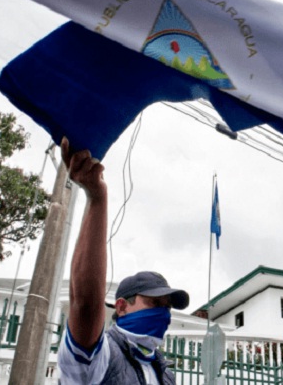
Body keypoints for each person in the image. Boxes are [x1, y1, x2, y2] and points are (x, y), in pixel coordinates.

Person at [57, 137, 189, 384]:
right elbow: (85, 303)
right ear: (121, 307)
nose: (163, 313)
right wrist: (97, 198)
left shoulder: (166, 374)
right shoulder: (101, 357)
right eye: (153, 302)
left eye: (166, 307)